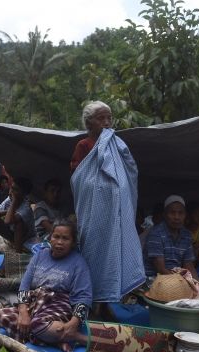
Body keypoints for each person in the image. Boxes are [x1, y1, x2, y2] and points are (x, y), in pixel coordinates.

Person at [70, 101, 145, 304]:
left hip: (114, 212)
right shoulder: (84, 145)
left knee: (113, 252)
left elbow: (128, 172)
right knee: (92, 252)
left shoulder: (118, 144)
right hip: (94, 212)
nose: (106, 122)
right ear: (89, 123)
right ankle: (89, 301)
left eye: (109, 118)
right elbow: (80, 177)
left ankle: (107, 300)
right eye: (101, 118)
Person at [0, 220, 91, 352]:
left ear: (73, 242)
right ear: (50, 238)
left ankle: (76, 336)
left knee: (36, 324)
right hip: (35, 301)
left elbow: (84, 296)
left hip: (58, 302)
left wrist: (74, 323)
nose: (59, 242)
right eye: (56, 236)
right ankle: (58, 341)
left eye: (65, 238)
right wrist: (23, 312)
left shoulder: (78, 263)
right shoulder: (40, 255)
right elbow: (25, 285)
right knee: (2, 315)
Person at [143, 195, 199, 281]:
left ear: (185, 215)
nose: (177, 217)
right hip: (154, 280)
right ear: (165, 215)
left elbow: (189, 266)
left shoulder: (187, 235)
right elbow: (161, 269)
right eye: (172, 213)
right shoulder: (155, 234)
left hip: (176, 279)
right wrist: (182, 283)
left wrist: (198, 284)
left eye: (180, 213)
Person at [0, 177, 37, 254]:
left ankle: (18, 254)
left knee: (19, 224)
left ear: (23, 194)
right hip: (12, 234)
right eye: (11, 188)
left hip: (26, 238)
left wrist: (14, 202)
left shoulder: (26, 208)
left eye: (16, 190)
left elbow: (7, 221)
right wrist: (7, 210)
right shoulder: (9, 199)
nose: (11, 191)